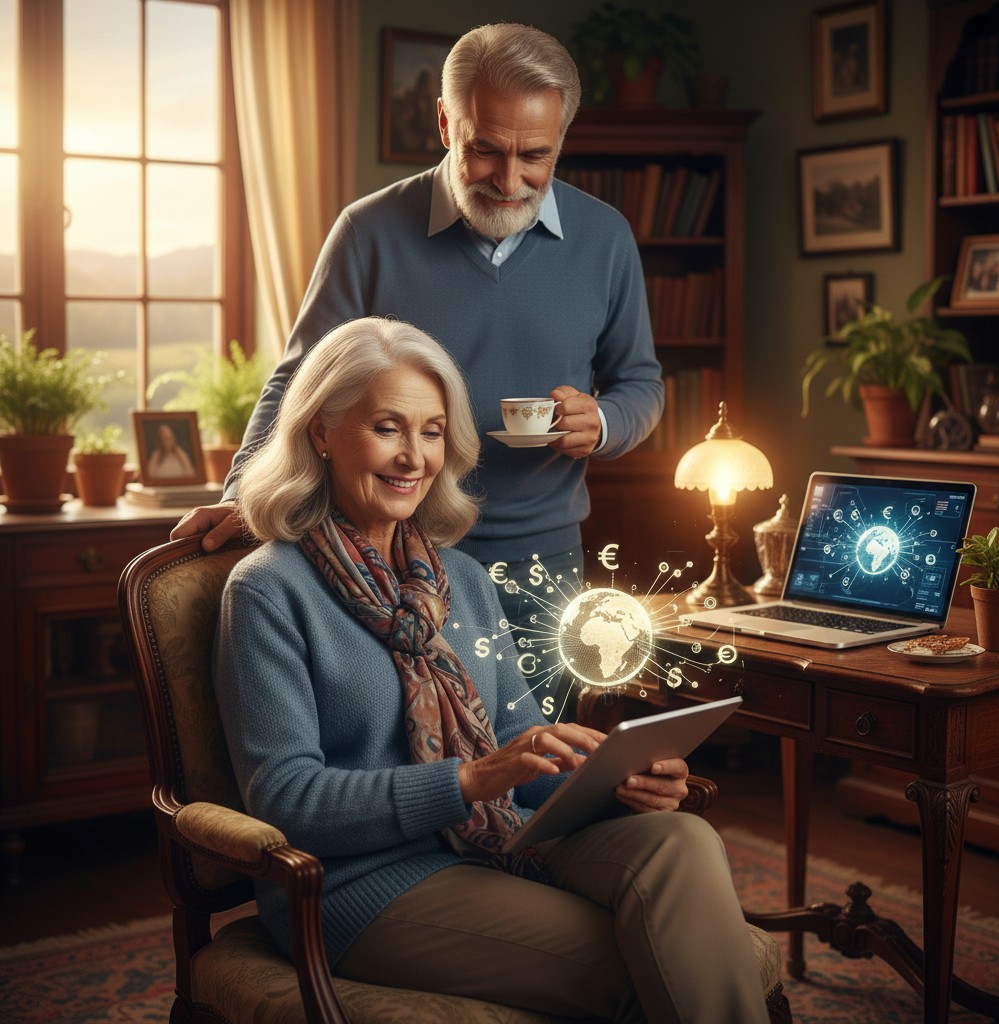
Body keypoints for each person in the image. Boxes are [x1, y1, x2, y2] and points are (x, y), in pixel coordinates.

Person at [212, 317, 767, 1024]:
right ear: (320, 431)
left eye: (433, 431)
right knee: (657, 962)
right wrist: (470, 779)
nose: (415, 457)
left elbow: (522, 743)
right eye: (388, 427)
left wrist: (617, 781)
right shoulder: (268, 590)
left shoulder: (462, 581)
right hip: (362, 886)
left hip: (497, 838)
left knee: (682, 836)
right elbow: (286, 800)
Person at [175, 23, 665, 720]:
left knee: (536, 775)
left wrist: (606, 420)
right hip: (393, 553)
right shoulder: (368, 230)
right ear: (444, 123)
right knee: (417, 761)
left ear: (563, 139)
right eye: (485, 150)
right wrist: (242, 492)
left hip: (543, 564)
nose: (509, 179)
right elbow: (300, 380)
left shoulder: (607, 237)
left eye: (536, 157)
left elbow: (642, 385)